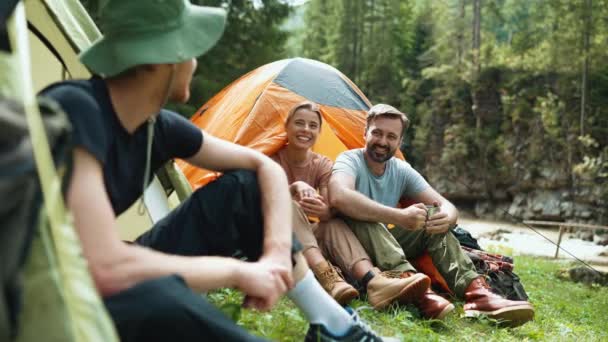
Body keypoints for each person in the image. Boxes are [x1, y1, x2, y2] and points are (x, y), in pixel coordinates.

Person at [39, 1, 391, 341]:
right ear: (166, 57)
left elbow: (263, 167)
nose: (194, 61)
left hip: (104, 269)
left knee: (245, 186)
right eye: (189, 50)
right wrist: (241, 272)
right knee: (161, 298)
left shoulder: (156, 127)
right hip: (53, 288)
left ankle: (334, 327)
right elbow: (105, 267)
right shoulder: (76, 109)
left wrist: (274, 254)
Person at [327, 103, 535, 326]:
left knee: (433, 215)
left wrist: (447, 217)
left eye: (391, 136)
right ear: (365, 133)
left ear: (399, 142)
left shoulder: (400, 169)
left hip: (387, 242)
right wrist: (397, 216)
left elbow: (445, 205)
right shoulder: (349, 160)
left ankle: (476, 294)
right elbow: (339, 196)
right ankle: (415, 288)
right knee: (358, 213)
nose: (382, 141)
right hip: (354, 248)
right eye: (376, 133)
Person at [271, 102, 428, 310]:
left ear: (319, 132)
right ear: (287, 126)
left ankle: (374, 282)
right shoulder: (271, 160)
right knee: (289, 206)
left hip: (308, 242)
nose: (306, 130)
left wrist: (325, 211)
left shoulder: (323, 164)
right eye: (299, 123)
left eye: (312, 125)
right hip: (276, 239)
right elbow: (266, 203)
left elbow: (330, 208)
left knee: (334, 223)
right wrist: (295, 188)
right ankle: (329, 277)